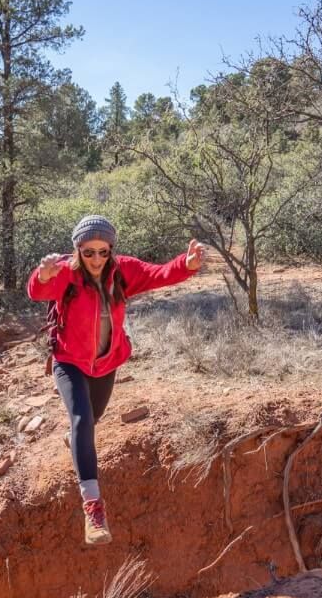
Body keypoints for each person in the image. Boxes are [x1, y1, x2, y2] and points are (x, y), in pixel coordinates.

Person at [27, 215, 205, 546]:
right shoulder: (65, 272)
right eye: (89, 252)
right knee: (81, 419)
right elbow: (38, 291)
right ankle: (93, 510)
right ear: (77, 249)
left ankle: (76, 442)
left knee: (92, 420)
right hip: (69, 361)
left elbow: (159, 274)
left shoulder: (123, 272)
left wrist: (188, 263)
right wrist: (43, 273)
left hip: (106, 364)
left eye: (103, 252)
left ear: (111, 250)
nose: (96, 259)